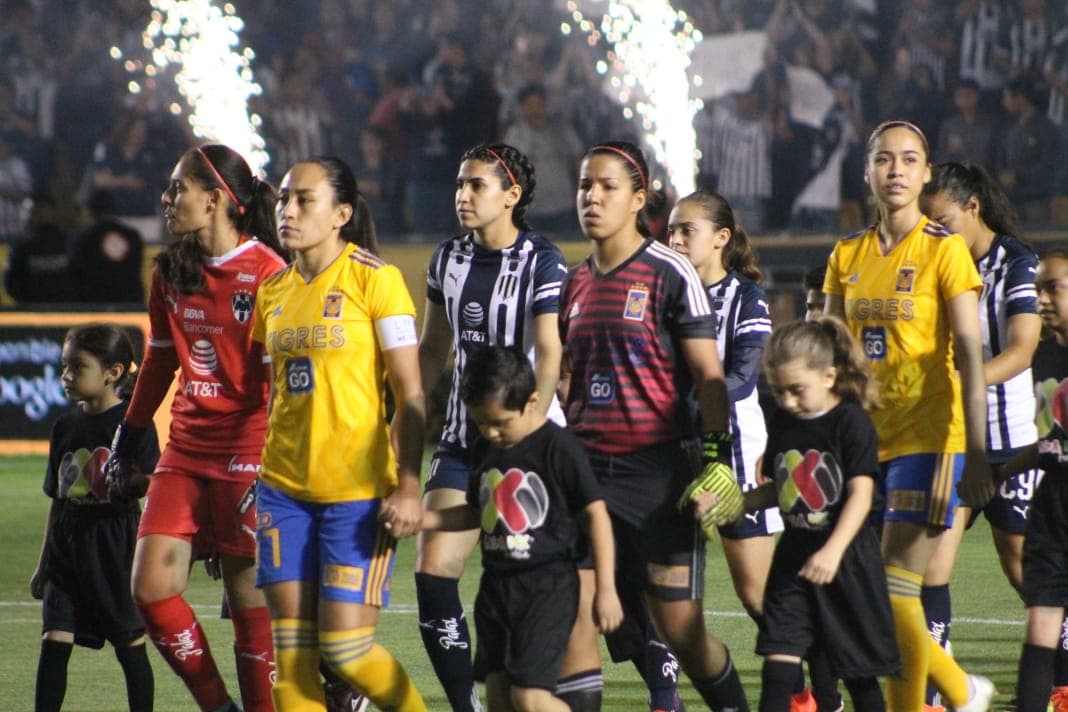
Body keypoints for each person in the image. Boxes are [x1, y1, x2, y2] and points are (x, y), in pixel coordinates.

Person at [560, 140, 749, 710]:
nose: (592, 196)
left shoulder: (669, 273)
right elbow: (568, 377)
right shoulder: (575, 281)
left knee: (681, 633)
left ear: (639, 199)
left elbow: (710, 377)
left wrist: (717, 462)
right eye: (584, 185)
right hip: (586, 477)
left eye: (607, 186)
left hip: (657, 477)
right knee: (577, 620)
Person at [103, 144, 287, 712]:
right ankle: (218, 706)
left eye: (178, 188)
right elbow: (159, 359)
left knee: (247, 603)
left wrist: (276, 467)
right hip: (185, 450)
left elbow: (280, 384)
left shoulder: (269, 274)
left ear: (216, 200)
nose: (167, 197)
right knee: (151, 592)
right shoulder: (171, 270)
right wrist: (126, 439)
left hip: (248, 450)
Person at [822, 120, 996, 710]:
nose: (896, 170)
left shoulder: (944, 249)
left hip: (931, 436)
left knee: (895, 588)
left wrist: (976, 449)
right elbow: (829, 357)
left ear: (925, 174)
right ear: (866, 171)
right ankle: (956, 687)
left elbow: (972, 356)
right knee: (874, 594)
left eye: (909, 160)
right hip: (865, 442)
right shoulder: (846, 254)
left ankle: (936, 697)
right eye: (883, 159)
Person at [415, 143, 588, 711]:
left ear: (511, 195)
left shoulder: (543, 260)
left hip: (528, 440)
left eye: (477, 186)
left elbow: (547, 346)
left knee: (541, 583)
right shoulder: (446, 259)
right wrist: (407, 415)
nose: (462, 196)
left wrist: (529, 432)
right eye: (460, 185)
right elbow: (432, 348)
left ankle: (661, 688)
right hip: (464, 440)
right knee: (434, 573)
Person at [251, 156, 427, 711]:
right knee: (291, 666)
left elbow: (411, 395)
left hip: (356, 495)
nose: (288, 209)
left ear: (341, 214)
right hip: (282, 493)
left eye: (304, 199)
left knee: (348, 652)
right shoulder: (272, 291)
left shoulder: (376, 280)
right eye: (283, 198)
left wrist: (409, 483)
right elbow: (276, 395)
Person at [698, 317, 900, 710]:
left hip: (848, 563)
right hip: (793, 561)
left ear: (829, 376)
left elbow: (862, 493)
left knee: (858, 676)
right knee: (778, 666)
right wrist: (731, 505)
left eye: (797, 390)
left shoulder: (850, 422)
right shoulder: (784, 421)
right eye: (778, 390)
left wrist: (833, 551)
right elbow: (782, 490)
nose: (788, 401)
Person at [409, 345, 623, 712]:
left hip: (546, 591)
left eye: (500, 423)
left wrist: (606, 590)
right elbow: (478, 514)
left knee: (529, 699)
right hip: (496, 592)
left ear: (532, 401)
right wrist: (426, 519)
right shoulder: (485, 449)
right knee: (500, 701)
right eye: (481, 423)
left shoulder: (560, 448)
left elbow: (598, 517)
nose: (491, 433)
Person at [919, 161, 1042, 705]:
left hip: (1009, 443)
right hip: (950, 442)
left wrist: (961, 382)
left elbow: (1022, 349)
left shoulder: (1017, 262)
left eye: (942, 220)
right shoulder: (931, 263)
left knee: (1025, 569)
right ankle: (935, 690)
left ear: (973, 208)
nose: (935, 232)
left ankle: (1060, 680)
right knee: (932, 570)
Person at [30, 324, 159, 712]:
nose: (66, 376)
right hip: (68, 543)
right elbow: (58, 498)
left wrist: (136, 483)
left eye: (76, 367)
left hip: (115, 540)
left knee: (129, 643)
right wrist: (43, 565)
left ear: (112, 372)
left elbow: (152, 484)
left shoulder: (135, 426)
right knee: (54, 638)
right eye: (63, 366)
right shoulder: (64, 426)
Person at [993, 248, 1068, 711]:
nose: (1041, 298)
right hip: (1052, 508)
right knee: (1040, 625)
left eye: (1053, 287)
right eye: (1038, 287)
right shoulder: (1044, 357)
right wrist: (999, 472)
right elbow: (1051, 442)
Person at [69, 189, 146, 304]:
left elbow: (77, 276)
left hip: (94, 306)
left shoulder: (85, 239)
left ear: (92, 211)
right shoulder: (132, 236)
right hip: (129, 305)